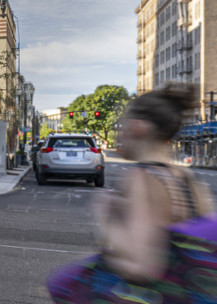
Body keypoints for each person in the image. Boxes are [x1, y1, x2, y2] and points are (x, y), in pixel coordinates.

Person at [46, 83, 215, 300]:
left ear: (137, 127)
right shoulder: (191, 180)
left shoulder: (142, 177)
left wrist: (106, 216)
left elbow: (140, 265)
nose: (120, 133)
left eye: (122, 125)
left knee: (64, 284)